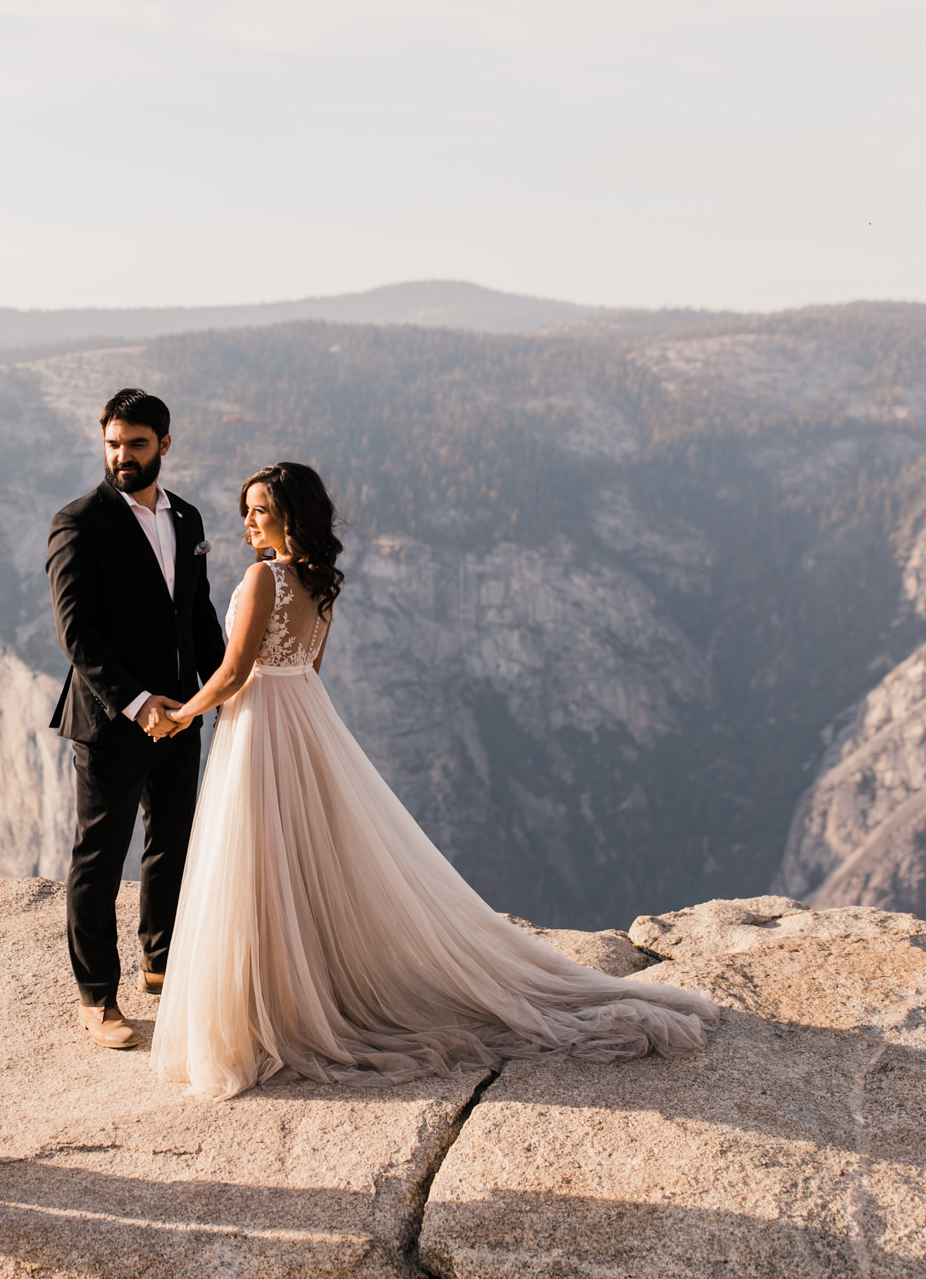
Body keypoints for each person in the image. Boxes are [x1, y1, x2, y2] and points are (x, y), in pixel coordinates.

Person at [149, 462, 718, 1098]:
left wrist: (179, 716)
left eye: (259, 509)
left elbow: (233, 673)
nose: (247, 521)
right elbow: (310, 666)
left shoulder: (263, 578)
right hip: (305, 721)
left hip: (261, 726)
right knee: (301, 861)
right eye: (246, 508)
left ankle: (266, 1011)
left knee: (257, 862)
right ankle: (295, 997)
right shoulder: (320, 585)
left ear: (290, 516)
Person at [46, 390, 226, 1050]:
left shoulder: (186, 516)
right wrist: (137, 701)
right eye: (114, 444)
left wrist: (223, 687)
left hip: (182, 715)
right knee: (98, 855)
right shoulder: (78, 523)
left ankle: (161, 964)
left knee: (172, 841)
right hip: (112, 721)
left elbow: (196, 616)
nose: (123, 456)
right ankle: (96, 997)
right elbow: (78, 633)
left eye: (137, 444)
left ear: (165, 446)